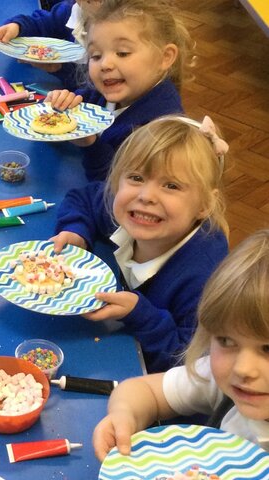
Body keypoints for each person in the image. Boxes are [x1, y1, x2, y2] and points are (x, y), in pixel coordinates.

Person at [51, 115, 229, 373]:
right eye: (135, 178)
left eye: (171, 185)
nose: (146, 196)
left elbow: (189, 365)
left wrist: (139, 314)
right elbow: (85, 199)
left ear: (204, 205)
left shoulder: (204, 278)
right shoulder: (127, 212)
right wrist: (77, 231)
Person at [92, 229, 269, 460]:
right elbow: (145, 391)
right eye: (226, 341)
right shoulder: (220, 382)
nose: (242, 368)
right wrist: (124, 416)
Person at [46, 0, 194, 181]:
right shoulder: (102, 94)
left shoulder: (159, 133)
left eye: (122, 53)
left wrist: (90, 145)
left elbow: (116, 190)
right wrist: (55, 106)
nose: (105, 64)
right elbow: (60, 121)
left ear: (165, 57)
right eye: (96, 55)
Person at [0, 0, 102, 91]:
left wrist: (63, 71)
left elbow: (98, 90)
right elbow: (42, 23)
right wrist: (18, 27)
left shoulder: (113, 34)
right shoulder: (72, 10)